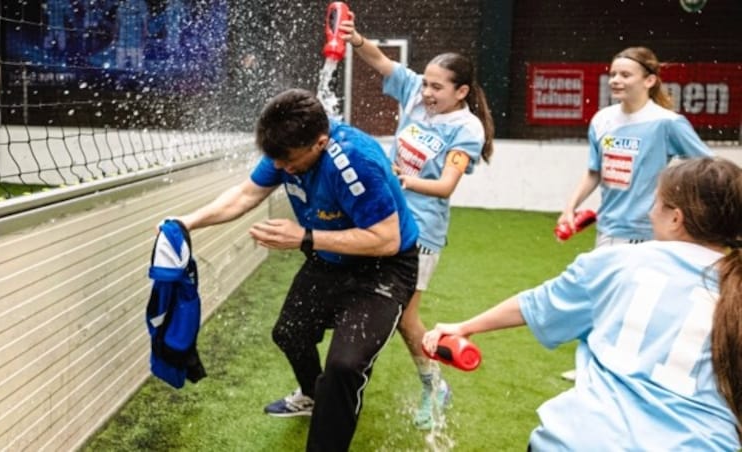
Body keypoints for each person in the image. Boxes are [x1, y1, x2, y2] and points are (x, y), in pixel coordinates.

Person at [424, 157, 742, 451]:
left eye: (655, 203)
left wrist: (465, 327)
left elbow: (536, 303)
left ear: (676, 218)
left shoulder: (617, 262)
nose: (649, 212)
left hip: (580, 440)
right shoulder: (734, 285)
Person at [175, 88, 419, 452]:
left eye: (289, 162)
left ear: (320, 143)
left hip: (383, 268)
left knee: (344, 367)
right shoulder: (284, 151)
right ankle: (310, 396)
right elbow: (245, 195)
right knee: (290, 332)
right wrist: (187, 222)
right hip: (330, 258)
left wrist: (305, 237)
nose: (282, 170)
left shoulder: (353, 162)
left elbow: (385, 238)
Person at [339, 14, 495, 430]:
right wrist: (355, 38)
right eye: (425, 83)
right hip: (385, 218)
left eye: (437, 87)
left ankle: (434, 384)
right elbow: (380, 61)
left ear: (461, 91)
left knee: (406, 318)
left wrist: (396, 179)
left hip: (422, 231)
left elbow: (445, 186)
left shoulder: (466, 128)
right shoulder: (414, 94)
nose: (426, 91)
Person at [556, 46, 713, 380]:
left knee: (645, 302)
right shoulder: (602, 120)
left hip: (653, 232)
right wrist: (570, 206)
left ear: (650, 80)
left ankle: (631, 366)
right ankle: (596, 365)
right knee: (603, 295)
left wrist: (678, 195)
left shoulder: (667, 123)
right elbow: (594, 172)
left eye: (625, 74)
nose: (616, 80)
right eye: (613, 73)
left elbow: (706, 167)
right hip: (611, 227)